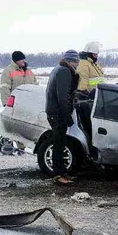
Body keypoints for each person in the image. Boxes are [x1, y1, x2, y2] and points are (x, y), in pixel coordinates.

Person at [45, 50, 81, 185]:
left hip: (54, 111)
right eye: (76, 61)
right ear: (70, 61)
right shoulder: (65, 71)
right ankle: (58, 175)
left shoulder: (58, 69)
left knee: (60, 142)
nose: (77, 64)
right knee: (58, 144)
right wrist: (68, 117)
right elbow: (63, 97)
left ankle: (62, 172)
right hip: (58, 113)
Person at [74, 41, 104, 157]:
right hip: (87, 100)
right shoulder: (84, 64)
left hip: (96, 99)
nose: (96, 56)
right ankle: (90, 151)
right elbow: (83, 80)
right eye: (95, 54)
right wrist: (83, 91)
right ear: (89, 54)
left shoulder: (93, 65)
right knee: (89, 127)